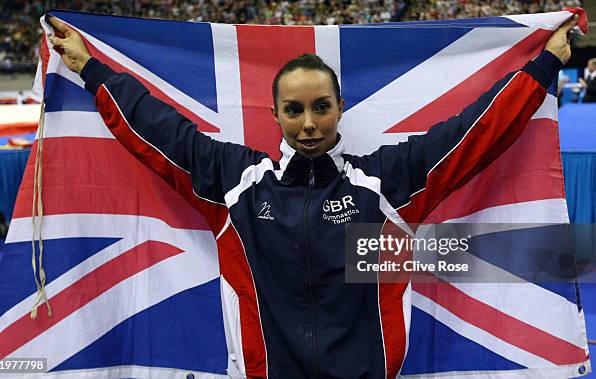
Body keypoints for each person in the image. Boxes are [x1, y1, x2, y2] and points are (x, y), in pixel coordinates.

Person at [48, 14, 577, 379]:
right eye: (294, 110)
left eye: (320, 106)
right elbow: (158, 128)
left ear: (340, 107)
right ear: (274, 114)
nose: (308, 124)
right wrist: (91, 69)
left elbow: (472, 133)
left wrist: (543, 66)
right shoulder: (235, 183)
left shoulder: (383, 187)